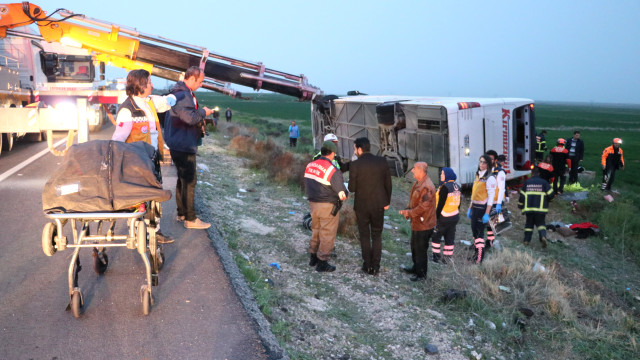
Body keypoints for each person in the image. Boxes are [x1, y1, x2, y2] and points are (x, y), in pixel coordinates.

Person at [112, 69, 176, 244]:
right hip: (137, 164)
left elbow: (167, 102)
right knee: (139, 199)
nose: (152, 85)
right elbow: (118, 139)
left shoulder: (148, 102)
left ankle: (155, 232)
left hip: (152, 160)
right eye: (149, 82)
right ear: (140, 85)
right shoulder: (128, 111)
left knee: (155, 197)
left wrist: (176, 95)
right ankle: (136, 233)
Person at [163, 66, 215, 229]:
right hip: (183, 144)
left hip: (178, 142)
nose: (201, 84)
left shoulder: (179, 91)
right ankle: (191, 219)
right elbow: (190, 118)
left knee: (183, 179)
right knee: (190, 181)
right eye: (200, 81)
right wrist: (203, 112)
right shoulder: (184, 95)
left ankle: (182, 213)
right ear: (191, 78)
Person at [348, 137, 392, 275]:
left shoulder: (355, 165)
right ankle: (376, 266)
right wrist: (387, 202)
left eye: (355, 148)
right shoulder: (382, 161)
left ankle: (367, 264)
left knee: (365, 235)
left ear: (360, 149)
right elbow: (388, 185)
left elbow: (352, 188)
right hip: (379, 204)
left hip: (362, 205)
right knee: (377, 235)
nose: (354, 151)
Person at [304, 141, 348, 272]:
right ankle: (322, 262)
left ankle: (313, 256)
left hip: (313, 204)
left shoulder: (310, 165)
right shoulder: (332, 170)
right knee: (327, 234)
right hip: (328, 206)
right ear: (333, 154)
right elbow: (342, 194)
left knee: (316, 230)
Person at [398, 162, 436, 281]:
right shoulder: (418, 183)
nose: (412, 171)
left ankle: (421, 275)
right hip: (417, 223)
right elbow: (414, 201)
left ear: (420, 170)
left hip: (424, 224)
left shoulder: (427, 186)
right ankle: (416, 268)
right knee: (414, 247)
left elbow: (422, 207)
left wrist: (409, 213)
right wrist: (408, 210)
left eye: (414, 169)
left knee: (421, 250)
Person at [466, 154, 496, 264]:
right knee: (475, 233)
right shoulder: (478, 176)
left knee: (479, 234)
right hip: (474, 208)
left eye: (484, 162)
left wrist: (487, 213)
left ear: (488, 164)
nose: (481, 164)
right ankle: (476, 255)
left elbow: (491, 198)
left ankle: (479, 258)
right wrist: (470, 208)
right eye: (480, 161)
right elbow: (473, 195)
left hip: (482, 209)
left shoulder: (490, 178)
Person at [518, 166, 554, 247]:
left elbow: (522, 196)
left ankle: (526, 240)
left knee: (529, 225)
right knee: (541, 224)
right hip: (541, 210)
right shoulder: (544, 183)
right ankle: (543, 236)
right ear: (539, 173)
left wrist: (520, 205)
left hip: (529, 209)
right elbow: (551, 195)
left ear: (531, 173)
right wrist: (549, 200)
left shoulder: (527, 183)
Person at [430, 167, 460, 264]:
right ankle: (447, 259)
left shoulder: (445, 187)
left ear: (447, 175)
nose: (441, 175)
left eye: (442, 174)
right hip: (454, 216)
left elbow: (440, 205)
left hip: (444, 217)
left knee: (436, 236)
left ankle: (436, 257)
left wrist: (435, 217)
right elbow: (459, 203)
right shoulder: (457, 186)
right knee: (450, 238)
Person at [485, 151, 506, 251]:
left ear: (495, 160)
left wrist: (498, 204)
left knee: (492, 226)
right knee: (483, 224)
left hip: (494, 202)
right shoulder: (485, 170)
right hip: (484, 201)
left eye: (491, 159)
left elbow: (502, 189)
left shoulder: (500, 172)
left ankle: (490, 243)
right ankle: (480, 243)